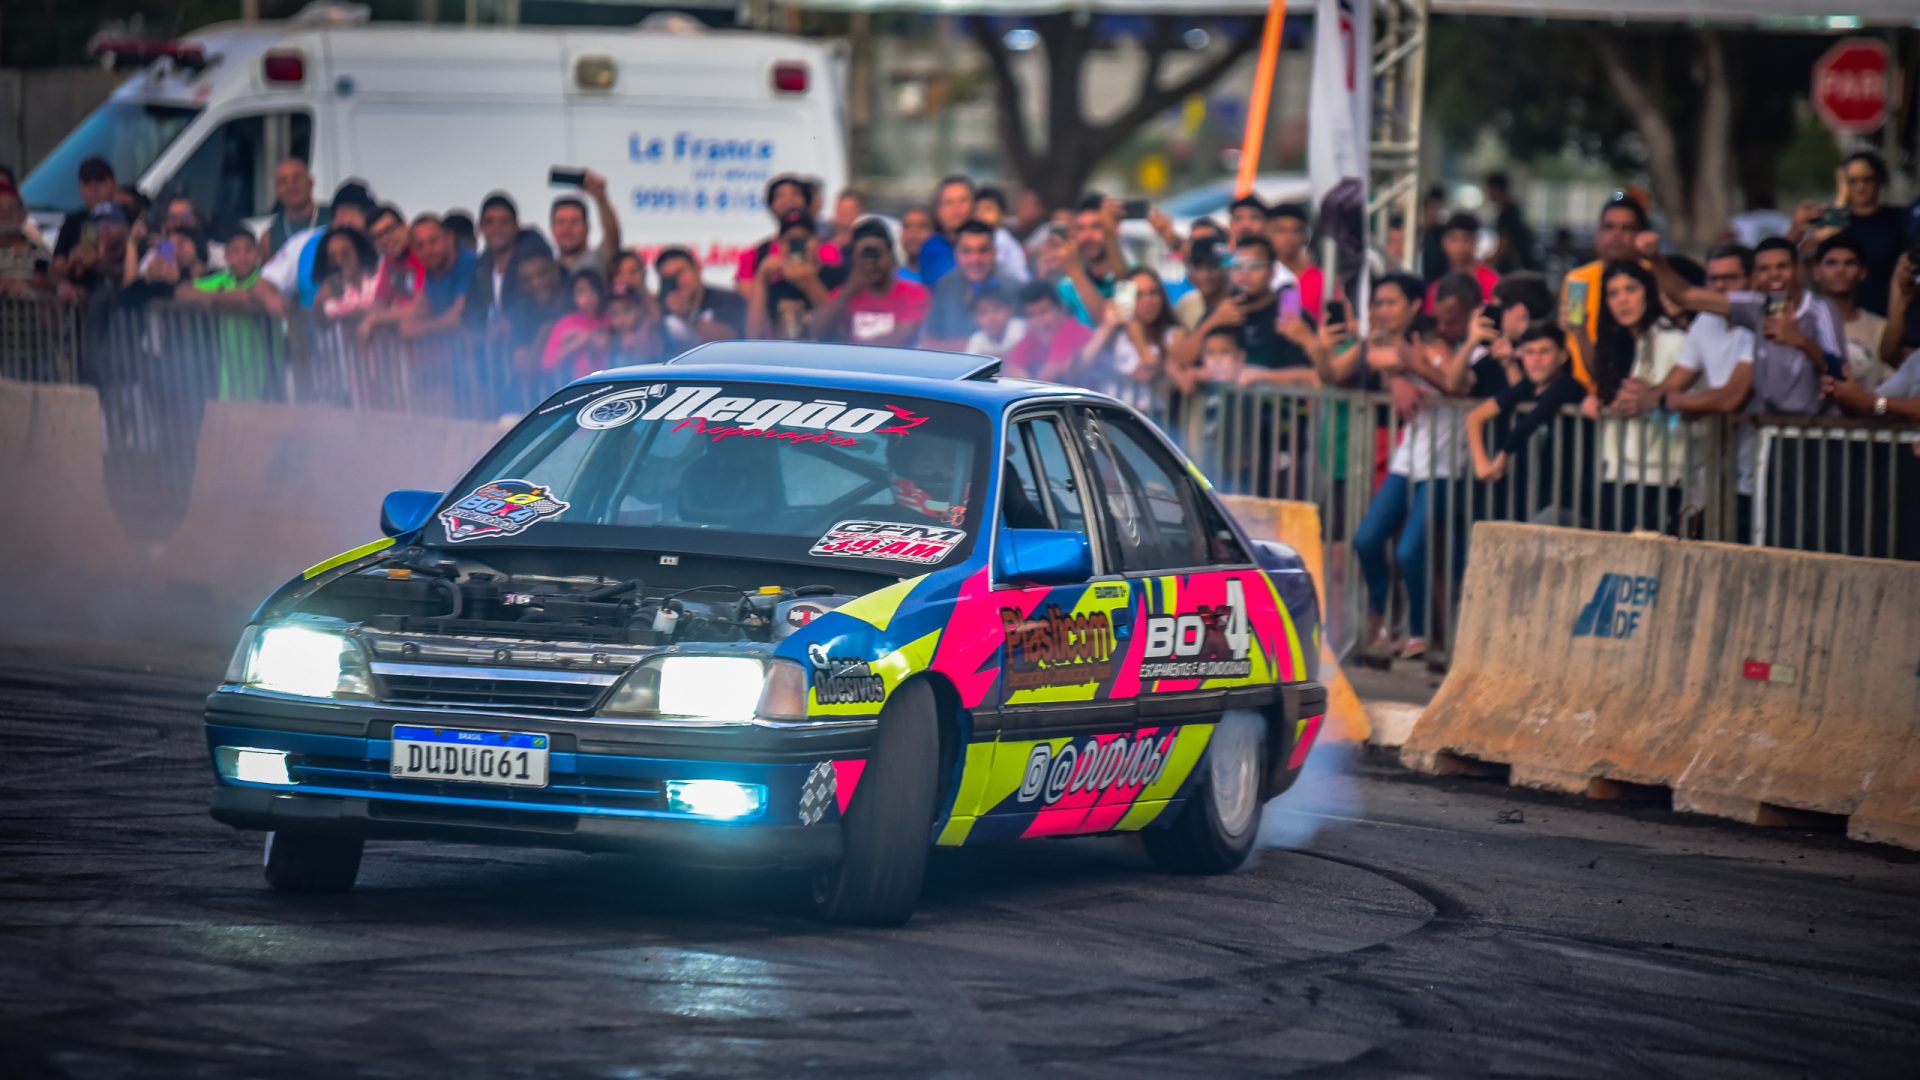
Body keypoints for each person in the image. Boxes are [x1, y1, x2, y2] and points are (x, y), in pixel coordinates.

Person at [1640, 232, 1840, 418]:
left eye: (1782, 267)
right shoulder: (1754, 307)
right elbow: (1685, 296)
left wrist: (1801, 340)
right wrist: (1654, 258)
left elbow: (1840, 373)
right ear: (1756, 275)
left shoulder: (1820, 309)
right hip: (1772, 437)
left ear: (1798, 270)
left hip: (1817, 433)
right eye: (1764, 269)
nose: (1774, 275)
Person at [1791, 150, 1903, 317]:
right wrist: (1842, 199)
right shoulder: (1834, 220)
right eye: (1852, 181)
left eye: (1867, 179)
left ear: (1879, 180)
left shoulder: (1898, 218)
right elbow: (1811, 250)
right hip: (1836, 317)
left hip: (1885, 314)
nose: (1860, 186)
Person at [1559, 193, 1648, 391]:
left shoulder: (1652, 275)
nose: (1617, 235)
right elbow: (1569, 341)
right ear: (1598, 233)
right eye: (1609, 227)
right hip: (1581, 398)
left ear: (1641, 234)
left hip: (1635, 396)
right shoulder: (1578, 280)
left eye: (1627, 228)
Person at [254, 180, 376, 313]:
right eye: (361, 213)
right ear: (340, 213)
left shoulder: (378, 240)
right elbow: (264, 282)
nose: (367, 220)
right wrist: (277, 304)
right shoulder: (304, 243)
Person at [807, 219, 930, 346]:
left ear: (890, 254)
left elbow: (901, 339)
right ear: (854, 257)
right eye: (864, 255)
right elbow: (817, 332)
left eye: (876, 254)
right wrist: (849, 289)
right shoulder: (844, 294)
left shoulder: (913, 293)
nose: (871, 262)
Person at [1078, 267, 1184, 413]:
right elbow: (1080, 366)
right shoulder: (1114, 334)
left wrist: (1133, 328)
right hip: (1109, 418)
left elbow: (1148, 368)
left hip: (1152, 419)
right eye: (1138, 295)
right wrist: (1107, 326)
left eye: (1153, 293)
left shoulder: (1174, 334)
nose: (1148, 301)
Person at [745, 210, 848, 340]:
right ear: (781, 245)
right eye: (791, 241)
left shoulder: (838, 276)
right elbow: (754, 335)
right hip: (786, 356)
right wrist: (761, 279)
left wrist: (810, 284)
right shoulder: (776, 284)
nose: (798, 247)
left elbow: (837, 327)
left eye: (803, 240)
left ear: (817, 241)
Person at [1810, 232, 1892, 391]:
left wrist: (1878, 408)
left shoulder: (1882, 328)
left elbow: (1892, 394)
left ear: (1862, 273)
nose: (1840, 270)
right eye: (1831, 263)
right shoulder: (1800, 324)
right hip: (1808, 414)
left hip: (1867, 414)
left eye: (1849, 263)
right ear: (1816, 272)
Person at [463, 192, 552, 331]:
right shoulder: (481, 267)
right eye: (489, 222)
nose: (496, 228)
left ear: (517, 227)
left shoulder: (533, 254)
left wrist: (512, 321)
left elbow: (541, 302)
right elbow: (473, 310)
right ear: (480, 227)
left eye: (504, 222)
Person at [736, 174, 839, 286]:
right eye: (780, 196)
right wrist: (763, 275)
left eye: (795, 194)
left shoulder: (828, 251)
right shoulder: (754, 256)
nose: (789, 201)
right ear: (771, 206)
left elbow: (836, 298)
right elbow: (748, 298)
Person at [922, 220, 1004, 350]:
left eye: (983, 250)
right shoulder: (945, 286)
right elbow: (927, 341)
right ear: (956, 254)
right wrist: (973, 345)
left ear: (994, 253)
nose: (975, 259)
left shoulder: (1012, 287)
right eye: (967, 251)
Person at [1051, 194, 1125, 327]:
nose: (1087, 236)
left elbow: (1106, 321)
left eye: (1097, 226)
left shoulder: (1136, 276)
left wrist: (1074, 271)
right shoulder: (1066, 286)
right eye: (1080, 228)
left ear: (1114, 229)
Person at [657, 246, 747, 353]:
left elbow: (730, 343)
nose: (677, 282)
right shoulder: (658, 308)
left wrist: (689, 315)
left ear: (697, 268)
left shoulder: (728, 300)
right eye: (669, 278)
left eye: (681, 273)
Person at [401, 214, 477, 339]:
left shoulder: (468, 263)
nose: (428, 250)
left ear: (449, 238)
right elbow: (422, 309)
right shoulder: (432, 268)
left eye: (433, 241)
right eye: (420, 245)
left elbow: (458, 317)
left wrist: (421, 328)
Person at [1003, 281, 1093, 382]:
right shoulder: (1031, 338)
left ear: (1060, 311)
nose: (1038, 320)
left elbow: (1050, 374)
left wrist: (1026, 380)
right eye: (1031, 315)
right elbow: (1010, 368)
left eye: (1044, 311)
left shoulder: (1072, 330)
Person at [550, 170, 622, 277]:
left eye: (574, 222)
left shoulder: (599, 259)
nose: (567, 228)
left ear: (587, 227)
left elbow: (612, 234)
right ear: (552, 228)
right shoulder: (546, 272)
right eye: (561, 222)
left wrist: (600, 197)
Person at [541, 269, 610, 379]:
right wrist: (574, 344)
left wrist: (589, 338)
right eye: (581, 291)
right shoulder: (566, 323)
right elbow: (548, 364)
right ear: (572, 296)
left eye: (592, 290)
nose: (588, 296)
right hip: (576, 386)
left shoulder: (609, 318)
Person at [1426, 212, 1498, 314]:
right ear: (1443, 242)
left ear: (1476, 241)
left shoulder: (1491, 282)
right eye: (1453, 239)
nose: (1460, 246)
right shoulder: (1436, 288)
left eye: (1466, 239)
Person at [259, 157, 329, 260]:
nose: (291, 186)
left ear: (310, 182)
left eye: (297, 179)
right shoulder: (269, 238)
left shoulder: (336, 218)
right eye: (283, 181)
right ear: (277, 190)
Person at [917, 175, 978, 287]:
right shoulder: (932, 248)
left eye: (963, 200)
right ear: (938, 211)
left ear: (974, 206)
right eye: (948, 202)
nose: (956, 208)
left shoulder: (992, 241)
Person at [1269, 203, 1326, 320]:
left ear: (1304, 236)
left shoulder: (1320, 279)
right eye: (1281, 230)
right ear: (1268, 233)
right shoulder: (1260, 276)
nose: (1289, 237)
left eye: (1296, 230)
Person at [312, 226, 381, 320]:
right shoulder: (325, 294)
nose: (339, 260)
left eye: (345, 254)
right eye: (332, 258)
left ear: (359, 252)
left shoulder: (380, 279)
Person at [972, 185, 1031, 283]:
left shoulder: (1000, 237)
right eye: (977, 210)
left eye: (988, 209)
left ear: (1002, 215)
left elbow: (990, 267)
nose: (981, 215)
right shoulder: (988, 237)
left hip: (1016, 287)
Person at [0, 189, 50, 294]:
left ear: (22, 214)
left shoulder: (37, 250)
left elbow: (49, 281)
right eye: (1, 209)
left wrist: (28, 284)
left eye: (11, 208)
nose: (6, 213)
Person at [1485, 172, 1536, 273]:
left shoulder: (1507, 213)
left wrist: (1488, 263)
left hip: (1514, 267)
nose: (1488, 195)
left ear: (1496, 189)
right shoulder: (1517, 209)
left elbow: (1504, 243)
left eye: (1489, 190)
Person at [963, 282, 1025, 359]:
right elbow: (970, 366)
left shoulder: (1019, 328)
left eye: (997, 309)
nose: (991, 317)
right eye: (983, 312)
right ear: (976, 319)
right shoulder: (977, 340)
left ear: (1010, 312)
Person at [896, 207, 935, 285]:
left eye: (921, 226)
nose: (913, 233)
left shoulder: (946, 277)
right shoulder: (890, 279)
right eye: (907, 226)